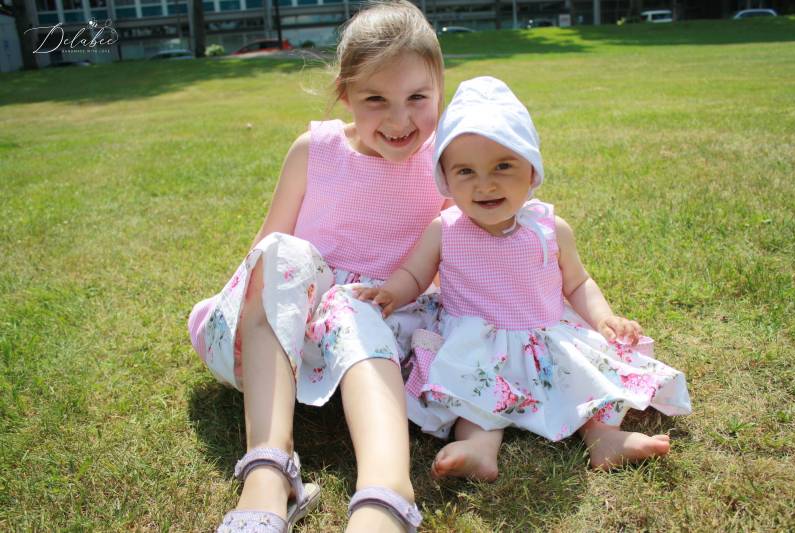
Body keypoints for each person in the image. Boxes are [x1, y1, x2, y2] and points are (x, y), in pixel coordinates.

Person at [188, 2, 447, 531]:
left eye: (417, 98)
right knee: (283, 253)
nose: (400, 120)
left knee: (353, 309)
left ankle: (386, 492)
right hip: (295, 338)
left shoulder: (447, 159)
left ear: (441, 90)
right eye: (376, 99)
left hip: (389, 339)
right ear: (345, 94)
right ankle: (268, 470)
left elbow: (474, 248)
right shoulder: (316, 149)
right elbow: (265, 251)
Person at [356, 76, 692, 482]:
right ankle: (479, 448)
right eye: (466, 171)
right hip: (477, 343)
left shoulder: (549, 228)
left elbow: (578, 284)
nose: (485, 184)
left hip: (546, 340)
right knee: (474, 396)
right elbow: (415, 273)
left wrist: (604, 318)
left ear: (531, 169)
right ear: (445, 178)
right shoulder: (445, 229)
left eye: (503, 166)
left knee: (585, 384)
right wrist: (392, 292)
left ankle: (604, 439)